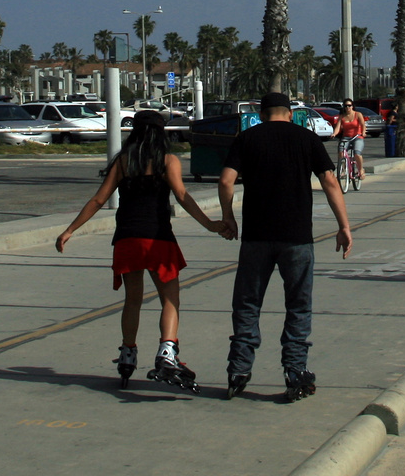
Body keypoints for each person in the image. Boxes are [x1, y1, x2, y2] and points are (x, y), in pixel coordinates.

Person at [56, 110, 235, 390]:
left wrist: (70, 230)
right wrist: (211, 225)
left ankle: (128, 352)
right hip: (158, 238)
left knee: (133, 300)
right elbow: (183, 196)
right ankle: (167, 352)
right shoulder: (168, 161)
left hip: (127, 239)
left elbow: (99, 199)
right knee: (170, 299)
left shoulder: (124, 162)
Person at [218, 92, 352, 402]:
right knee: (298, 305)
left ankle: (238, 370)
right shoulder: (306, 139)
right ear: (290, 114)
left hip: (256, 236)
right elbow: (330, 182)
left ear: (262, 114)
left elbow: (226, 181)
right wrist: (343, 226)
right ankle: (295, 371)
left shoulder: (247, 138)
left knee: (248, 303)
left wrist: (229, 218)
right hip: (297, 237)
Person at [331, 99, 367, 184]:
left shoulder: (358, 114)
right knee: (341, 153)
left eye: (349, 105)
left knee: (357, 153)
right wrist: (334, 134)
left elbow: (363, 125)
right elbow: (338, 127)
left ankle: (361, 169)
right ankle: (343, 170)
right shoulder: (342, 116)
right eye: (346, 106)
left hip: (357, 137)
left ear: (352, 106)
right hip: (346, 138)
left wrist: (363, 132)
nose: (348, 107)